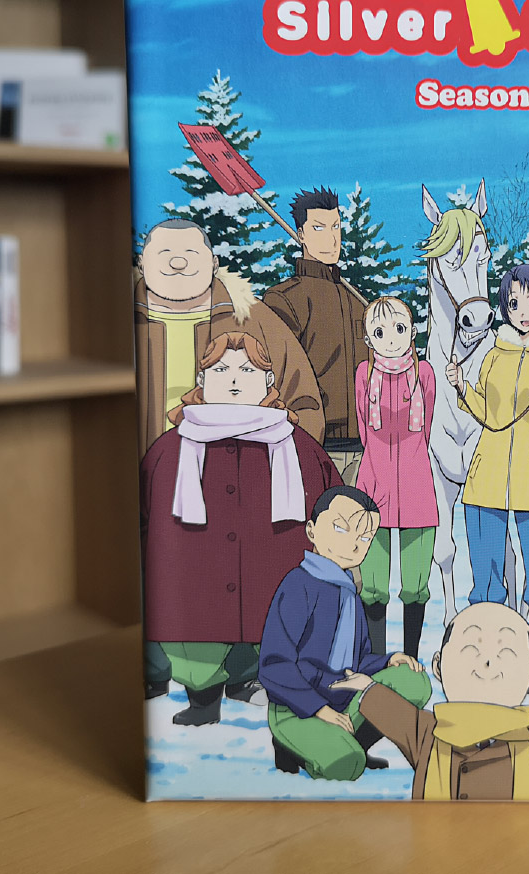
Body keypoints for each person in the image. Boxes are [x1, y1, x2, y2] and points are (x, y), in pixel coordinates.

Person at [140, 331, 341, 725]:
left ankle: (252, 681)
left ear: (268, 381)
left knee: (271, 623)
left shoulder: (298, 446)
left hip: (274, 572)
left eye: (247, 370)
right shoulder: (171, 447)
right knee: (196, 642)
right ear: (202, 381)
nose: (233, 379)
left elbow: (331, 503)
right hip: (196, 577)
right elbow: (143, 509)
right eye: (221, 370)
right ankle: (203, 701)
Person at [331, 601, 529, 800]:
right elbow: (395, 715)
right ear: (439, 666)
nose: (488, 662)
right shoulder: (428, 733)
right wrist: (368, 687)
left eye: (506, 652)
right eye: (470, 649)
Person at [445, 264, 529, 681]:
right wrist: (463, 389)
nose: (523, 311)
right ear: (504, 305)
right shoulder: (493, 356)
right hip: (486, 480)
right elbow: (489, 414)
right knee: (485, 580)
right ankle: (486, 666)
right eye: (515, 302)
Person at [259, 486, 431, 781]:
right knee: (345, 766)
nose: (354, 545)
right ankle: (297, 747)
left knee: (415, 682)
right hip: (298, 706)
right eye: (341, 529)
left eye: (365, 538)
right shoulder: (299, 585)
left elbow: (357, 660)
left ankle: (354, 744)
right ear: (312, 531)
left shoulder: (349, 590)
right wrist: (318, 709)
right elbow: (274, 666)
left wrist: (387, 661)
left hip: (343, 700)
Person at [134, 217, 325, 458]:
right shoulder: (114, 324)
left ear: (214, 263)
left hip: (243, 471)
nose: (178, 263)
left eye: (191, 253)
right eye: (164, 253)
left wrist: (281, 465)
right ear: (141, 263)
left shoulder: (253, 318)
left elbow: (305, 403)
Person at [261, 189, 368, 484]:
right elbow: (277, 374)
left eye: (336, 227)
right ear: (301, 235)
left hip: (365, 449)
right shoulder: (284, 299)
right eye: (319, 228)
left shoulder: (358, 302)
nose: (332, 238)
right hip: (313, 445)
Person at [354, 296, 439, 658]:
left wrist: (410, 461)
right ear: (368, 339)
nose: (391, 338)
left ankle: (411, 658)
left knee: (416, 585)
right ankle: (375, 658)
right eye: (379, 332)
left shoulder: (424, 374)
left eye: (399, 328)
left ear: (413, 332)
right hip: (373, 486)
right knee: (373, 586)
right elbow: (364, 428)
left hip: (417, 488)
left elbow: (427, 426)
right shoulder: (364, 374)